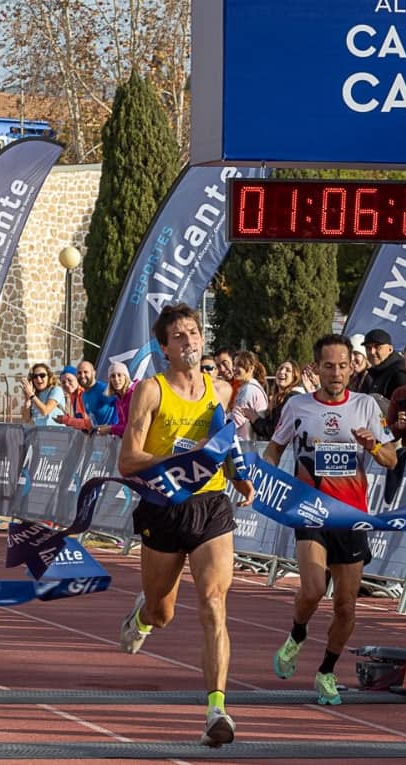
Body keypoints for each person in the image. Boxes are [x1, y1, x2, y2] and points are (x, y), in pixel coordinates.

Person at [115, 302, 256, 747]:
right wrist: (175, 460)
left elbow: (224, 442)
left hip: (210, 505)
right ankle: (142, 616)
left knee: (214, 601)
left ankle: (217, 708)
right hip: (163, 504)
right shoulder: (151, 391)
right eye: (179, 336)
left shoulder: (220, 390)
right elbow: (127, 461)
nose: (190, 341)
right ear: (165, 348)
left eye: (194, 333)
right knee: (163, 611)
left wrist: (237, 476)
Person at [263, 334, 397, 705]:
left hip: (351, 516)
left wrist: (372, 444)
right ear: (316, 368)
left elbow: (390, 459)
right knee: (312, 590)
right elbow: (275, 448)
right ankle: (297, 635)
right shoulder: (298, 406)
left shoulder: (366, 405)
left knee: (347, 606)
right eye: (329, 366)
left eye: (343, 365)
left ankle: (326, 671)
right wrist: (264, 477)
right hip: (311, 511)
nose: (336, 373)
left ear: (352, 367)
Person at [254, 361, 305, 440]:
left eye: (288, 370)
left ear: (294, 377)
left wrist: (254, 418)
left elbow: (275, 431)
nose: (282, 372)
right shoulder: (281, 398)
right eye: (280, 368)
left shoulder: (292, 398)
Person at [230, 350, 269, 442]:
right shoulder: (251, 388)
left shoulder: (248, 391)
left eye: (239, 365)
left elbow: (236, 420)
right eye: (234, 365)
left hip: (245, 443)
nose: (234, 368)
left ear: (251, 368)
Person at [363, 329, 406, 400]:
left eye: (377, 347)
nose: (372, 352)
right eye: (368, 348)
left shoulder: (399, 373)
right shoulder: (377, 371)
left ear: (390, 349)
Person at [21, 363, 66, 427]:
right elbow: (26, 419)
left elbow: (45, 411)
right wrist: (27, 400)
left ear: (49, 376)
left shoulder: (56, 390)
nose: (38, 379)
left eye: (42, 375)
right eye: (35, 376)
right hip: (39, 433)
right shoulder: (34, 394)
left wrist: (31, 395)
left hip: (56, 432)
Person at [98, 362, 135, 438]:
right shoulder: (118, 398)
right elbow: (122, 425)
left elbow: (133, 426)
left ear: (126, 377)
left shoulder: (134, 393)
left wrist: (110, 429)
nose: (116, 379)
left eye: (119, 375)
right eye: (113, 376)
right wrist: (109, 427)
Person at [53, 366, 88, 431]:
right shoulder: (73, 395)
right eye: (63, 382)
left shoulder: (84, 395)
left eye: (69, 380)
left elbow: (87, 423)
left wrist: (65, 420)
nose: (66, 384)